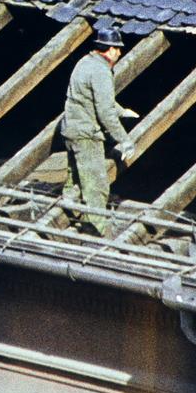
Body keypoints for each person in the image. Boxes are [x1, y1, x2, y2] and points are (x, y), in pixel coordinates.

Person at [60, 22, 135, 235]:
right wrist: (125, 140)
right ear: (109, 49)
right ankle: (97, 231)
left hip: (71, 129)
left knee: (75, 177)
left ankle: (68, 212)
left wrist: (122, 111)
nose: (119, 53)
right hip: (87, 134)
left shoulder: (85, 62)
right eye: (117, 49)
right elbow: (105, 112)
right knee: (96, 186)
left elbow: (91, 96)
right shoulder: (101, 71)